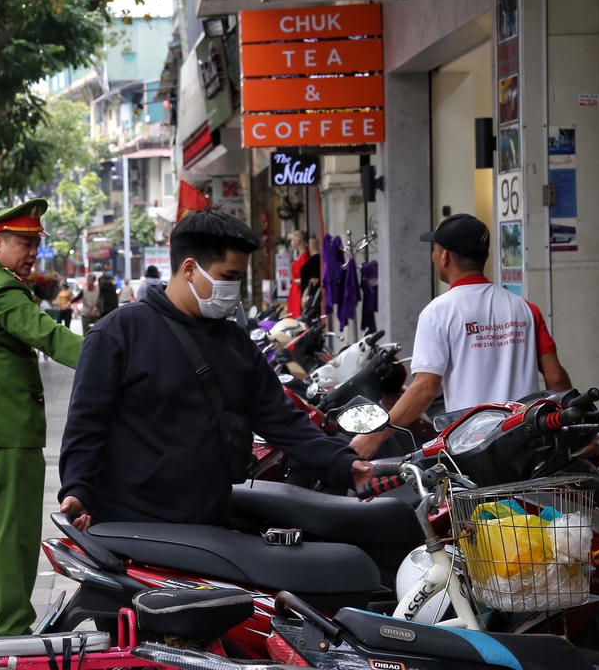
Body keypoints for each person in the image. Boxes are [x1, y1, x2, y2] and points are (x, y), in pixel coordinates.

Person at [57, 209, 373, 529]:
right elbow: (87, 423)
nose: (233, 290)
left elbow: (283, 421)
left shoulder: (235, 344)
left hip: (210, 523)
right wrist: (77, 489)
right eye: (228, 277)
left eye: (239, 278)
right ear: (191, 268)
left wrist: (344, 462)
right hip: (133, 526)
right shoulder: (119, 333)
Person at [0, 198, 84, 640]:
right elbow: (49, 337)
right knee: (13, 534)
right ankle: (11, 627)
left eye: (35, 245)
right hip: (6, 427)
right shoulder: (1, 289)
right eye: (24, 244)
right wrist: (113, 357)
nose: (31, 254)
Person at [350, 214, 573, 459]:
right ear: (485, 257)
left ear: (444, 256)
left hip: (473, 453)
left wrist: (373, 437)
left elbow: (425, 389)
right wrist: (572, 423)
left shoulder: (438, 313)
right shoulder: (525, 309)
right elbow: (556, 379)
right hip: (528, 446)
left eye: (434, 250)